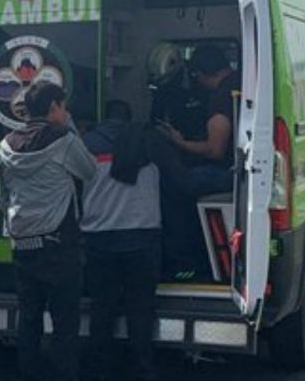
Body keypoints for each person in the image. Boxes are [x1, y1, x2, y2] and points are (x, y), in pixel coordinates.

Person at [0, 81, 96, 381]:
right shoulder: (63, 140)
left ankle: (29, 374)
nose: (65, 113)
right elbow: (90, 171)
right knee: (64, 323)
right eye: (63, 107)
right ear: (54, 107)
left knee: (28, 320)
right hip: (58, 245)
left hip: (23, 244)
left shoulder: (6, 145)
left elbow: (3, 196)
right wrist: (73, 130)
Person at [82, 101, 161, 381]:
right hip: (141, 236)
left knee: (102, 308)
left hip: (98, 238)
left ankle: (100, 368)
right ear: (129, 119)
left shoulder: (85, 144)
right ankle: (143, 368)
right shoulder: (148, 141)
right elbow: (179, 180)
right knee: (140, 308)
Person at [155, 44, 241, 280]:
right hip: (239, 171)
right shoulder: (241, 81)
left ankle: (183, 263)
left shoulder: (221, 97)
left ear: (203, 74)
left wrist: (178, 142)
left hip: (226, 173)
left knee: (170, 186)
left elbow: (214, 151)